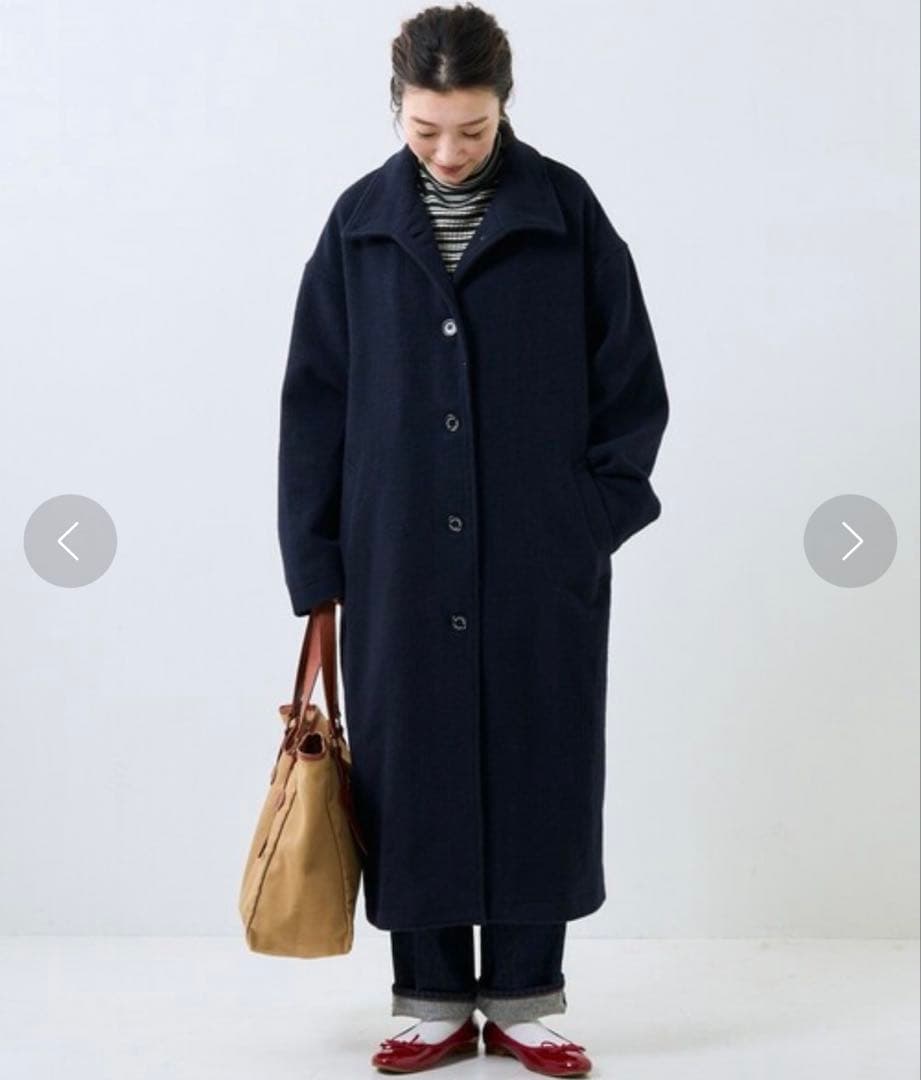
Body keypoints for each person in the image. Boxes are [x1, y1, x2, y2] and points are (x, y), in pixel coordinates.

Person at [277, 5, 669, 1076]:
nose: (447, 152)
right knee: (409, 768)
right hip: (395, 558)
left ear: (504, 106)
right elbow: (314, 404)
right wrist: (319, 569)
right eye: (425, 130)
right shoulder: (359, 225)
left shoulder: (566, 212)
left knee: (539, 755)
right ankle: (431, 1000)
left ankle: (528, 999)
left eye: (472, 129)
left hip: (539, 559)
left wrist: (586, 521)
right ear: (395, 109)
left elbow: (632, 386)